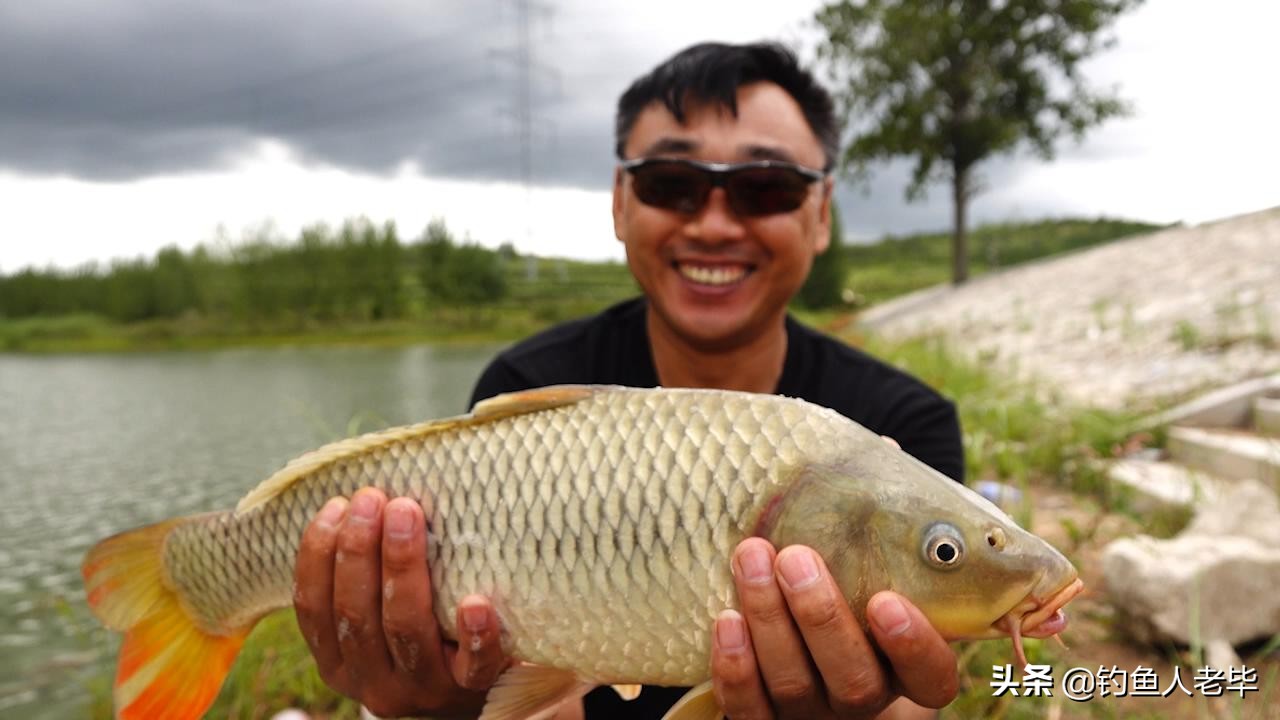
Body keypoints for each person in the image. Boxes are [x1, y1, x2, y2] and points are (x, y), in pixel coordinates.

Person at [293, 42, 964, 720]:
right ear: (620, 203)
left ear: (821, 215)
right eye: (671, 182)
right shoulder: (528, 382)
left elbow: (916, 699)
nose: (713, 223)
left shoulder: (905, 425)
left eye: (767, 187)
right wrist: (441, 704)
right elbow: (523, 698)